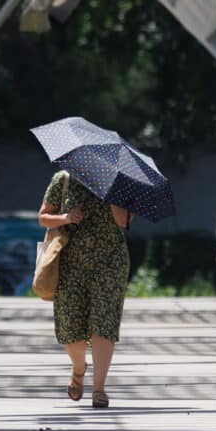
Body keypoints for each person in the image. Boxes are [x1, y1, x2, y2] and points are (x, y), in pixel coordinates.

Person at [38, 170, 132, 408]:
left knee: (104, 323)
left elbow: (123, 221)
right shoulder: (63, 179)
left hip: (110, 264)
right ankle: (79, 368)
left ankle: (99, 389)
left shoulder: (119, 182)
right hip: (70, 264)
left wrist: (109, 190)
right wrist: (66, 218)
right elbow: (44, 217)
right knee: (72, 330)